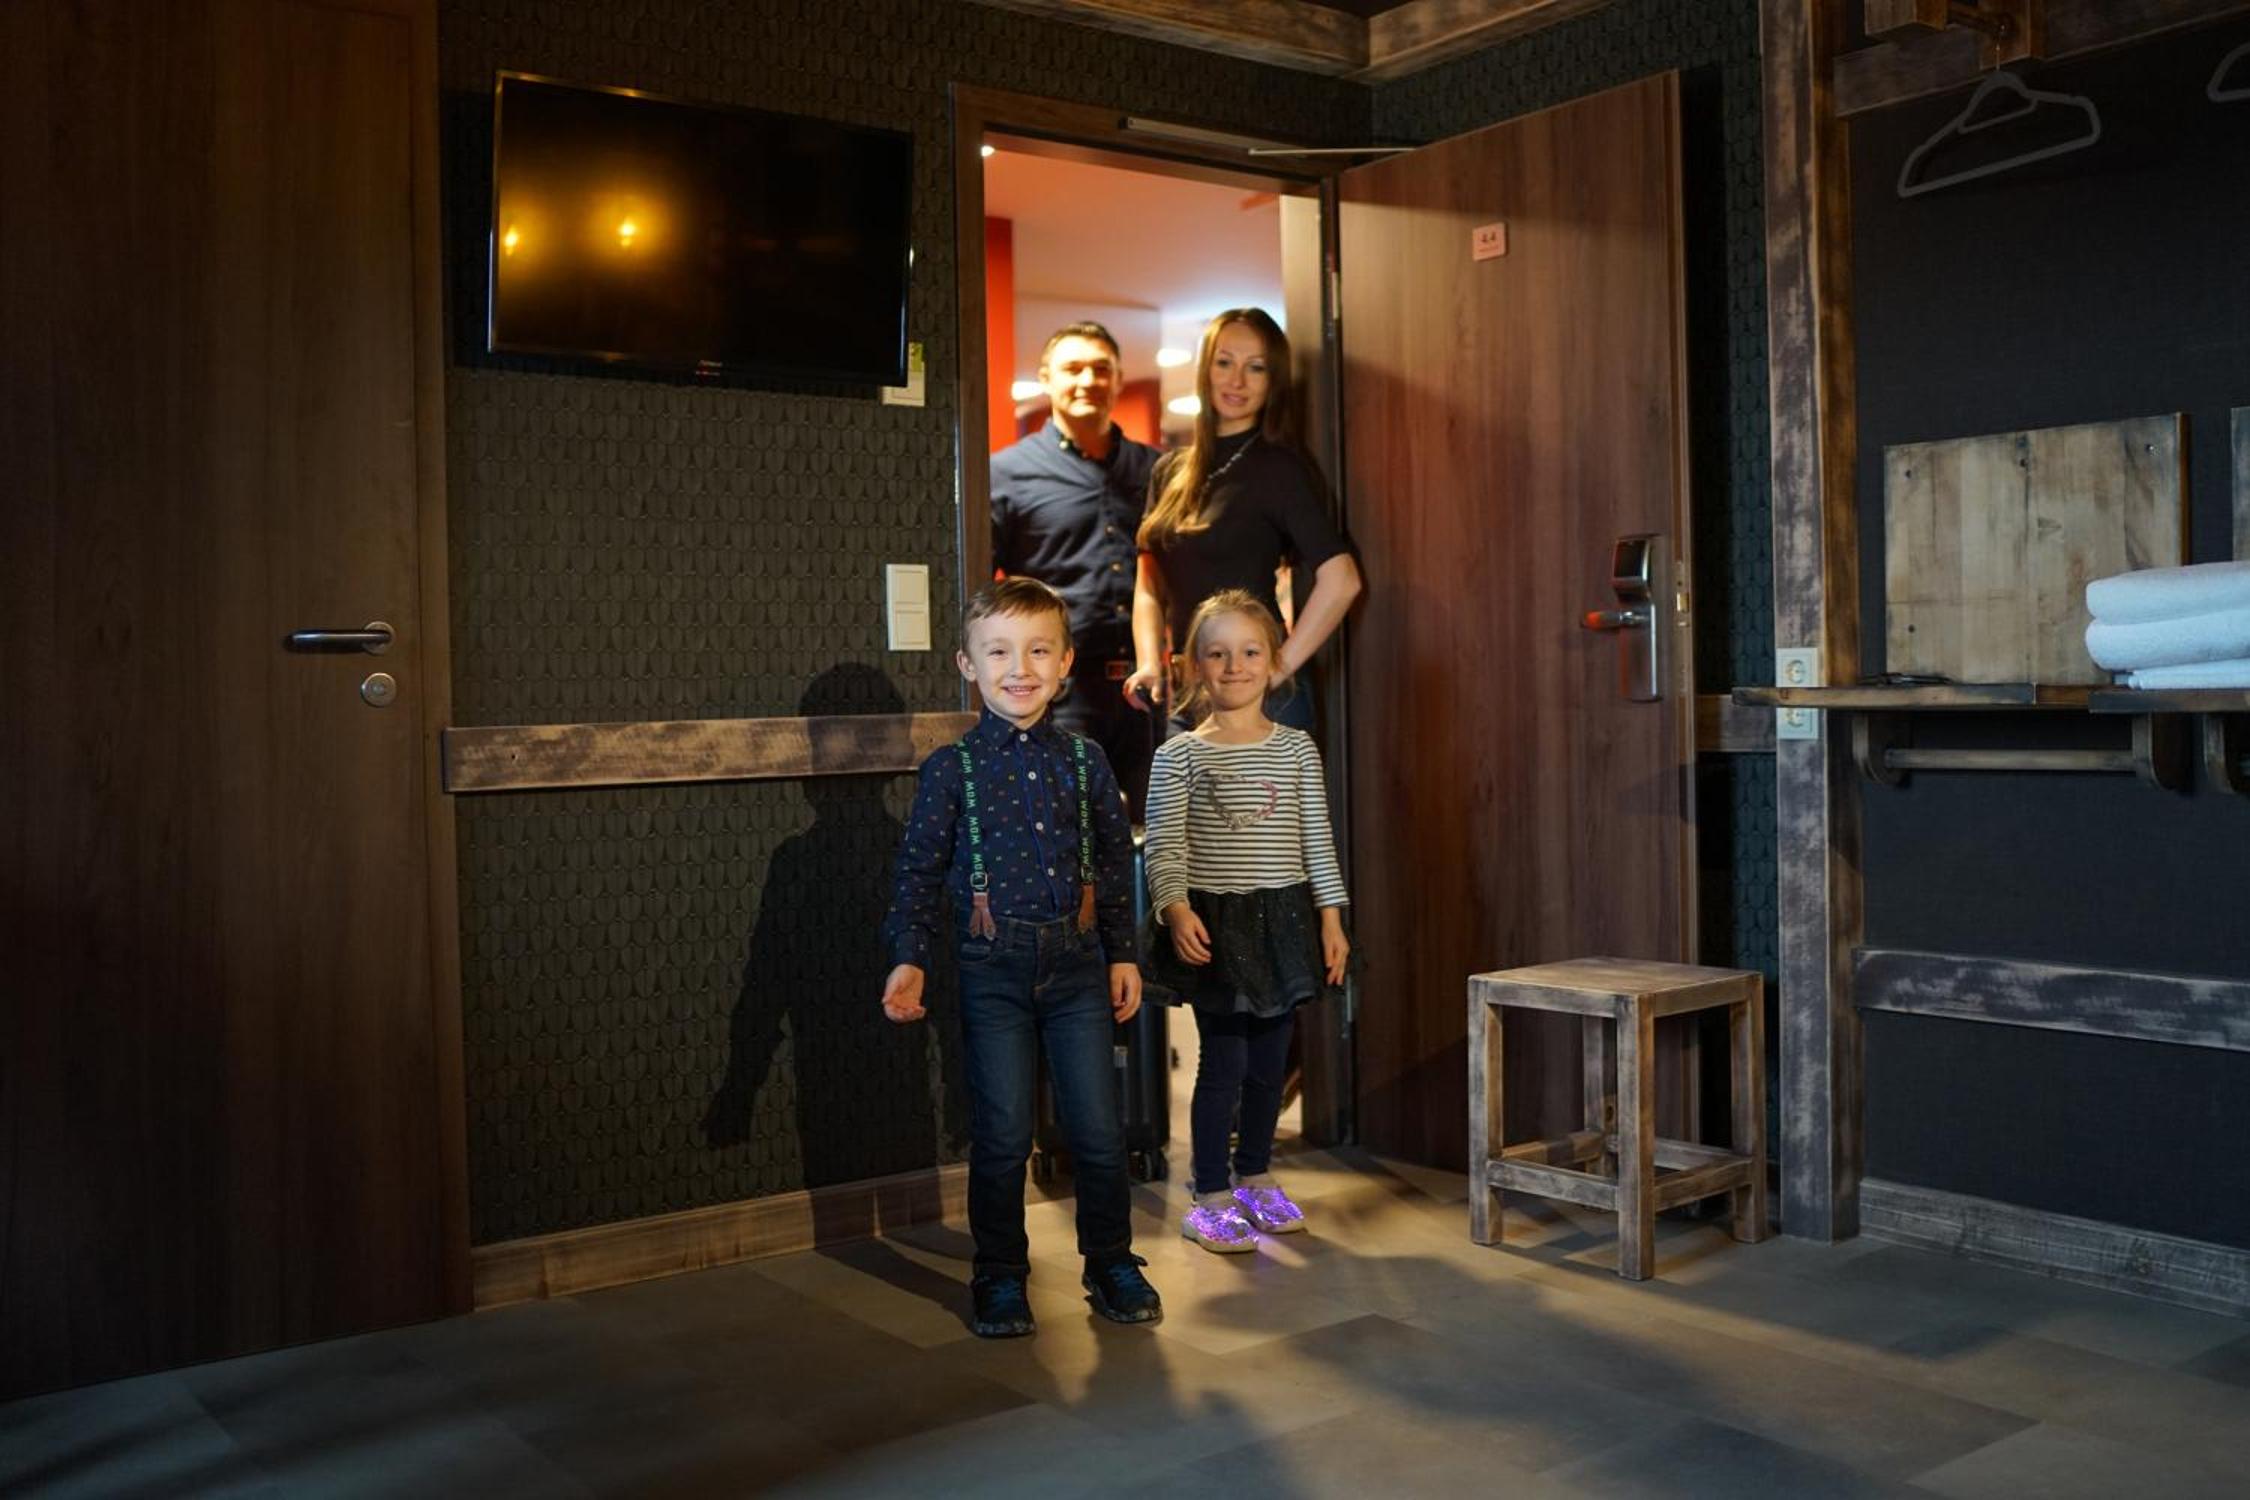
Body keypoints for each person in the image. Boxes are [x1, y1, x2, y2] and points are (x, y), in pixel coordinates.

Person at [878, 577, 1164, 1337]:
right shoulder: (951, 770)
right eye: (999, 652)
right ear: (967, 664)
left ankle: (1111, 1260)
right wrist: (909, 958)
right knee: (1003, 1135)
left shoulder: (1086, 762)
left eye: (1039, 651)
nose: (1020, 668)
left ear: (1065, 663)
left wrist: (1122, 954)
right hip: (990, 971)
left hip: (1077, 968)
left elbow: (1113, 864)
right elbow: (916, 876)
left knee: (1097, 1131)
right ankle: (1001, 1272)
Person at [1142, 590, 1349, 1252]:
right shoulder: (1180, 756)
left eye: (1250, 652)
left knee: (1270, 1062)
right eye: (1218, 654)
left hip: (1283, 923)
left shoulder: (1297, 750)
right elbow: (1165, 847)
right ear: (1193, 666)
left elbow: (1318, 842)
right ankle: (1209, 1194)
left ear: (1274, 661)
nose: (1235, 667)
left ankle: (1255, 1175)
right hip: (1218, 926)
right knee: (1224, 1062)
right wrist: (1175, 908)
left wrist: (1331, 919)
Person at [1126, 308, 1361, 733]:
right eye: (1224, 362)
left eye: (1256, 367)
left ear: (1273, 381)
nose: (1236, 380)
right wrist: (1148, 663)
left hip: (1261, 699)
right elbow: (1149, 586)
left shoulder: (1279, 467)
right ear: (1205, 369)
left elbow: (1342, 580)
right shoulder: (1169, 471)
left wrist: (1276, 670)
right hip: (1188, 691)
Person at [991, 322, 1159, 813]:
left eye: (1101, 369)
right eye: (1073, 368)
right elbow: (978, 592)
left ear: (1119, 379)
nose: (1088, 380)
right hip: (1060, 696)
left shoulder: (1157, 470)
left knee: (1156, 837)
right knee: (1067, 835)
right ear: (1046, 378)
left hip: (1148, 694)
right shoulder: (1006, 474)